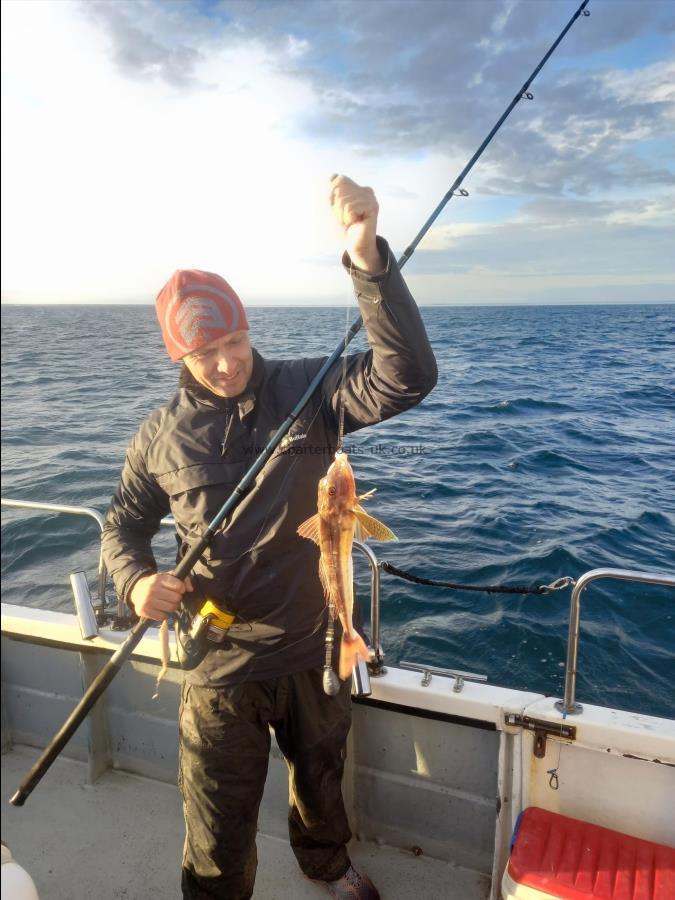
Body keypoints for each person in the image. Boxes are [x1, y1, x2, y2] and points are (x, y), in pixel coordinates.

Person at [101, 175, 438, 900]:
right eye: (204, 354)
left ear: (249, 329)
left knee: (321, 775)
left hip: (315, 641)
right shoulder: (158, 439)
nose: (225, 363)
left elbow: (406, 378)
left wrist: (366, 257)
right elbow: (123, 524)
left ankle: (325, 862)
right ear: (177, 358)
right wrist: (135, 581)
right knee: (217, 813)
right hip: (219, 660)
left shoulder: (307, 390)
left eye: (234, 341)